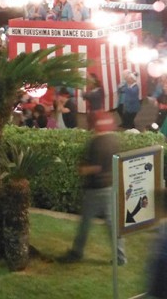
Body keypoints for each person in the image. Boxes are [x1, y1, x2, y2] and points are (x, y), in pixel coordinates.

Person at [59, 112, 127, 266]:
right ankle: (120, 257)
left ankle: (77, 252)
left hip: (96, 188)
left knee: (85, 222)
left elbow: (95, 167)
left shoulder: (96, 143)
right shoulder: (114, 139)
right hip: (110, 186)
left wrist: (82, 169)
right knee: (112, 223)